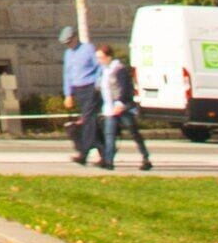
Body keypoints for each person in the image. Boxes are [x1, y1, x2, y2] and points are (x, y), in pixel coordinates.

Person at [102, 44, 155, 171]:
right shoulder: (105, 70)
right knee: (109, 134)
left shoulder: (119, 69)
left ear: (108, 56)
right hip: (110, 109)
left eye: (101, 57)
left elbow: (125, 88)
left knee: (133, 132)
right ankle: (108, 162)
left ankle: (145, 157)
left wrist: (120, 103)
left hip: (122, 108)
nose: (99, 60)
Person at [61, 29, 104, 167]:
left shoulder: (88, 48)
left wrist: (97, 84)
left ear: (75, 37)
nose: (69, 45)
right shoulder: (68, 54)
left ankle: (83, 154)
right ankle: (105, 152)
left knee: (88, 121)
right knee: (90, 122)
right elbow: (67, 74)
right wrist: (68, 94)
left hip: (90, 87)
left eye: (70, 41)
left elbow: (99, 67)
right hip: (77, 89)